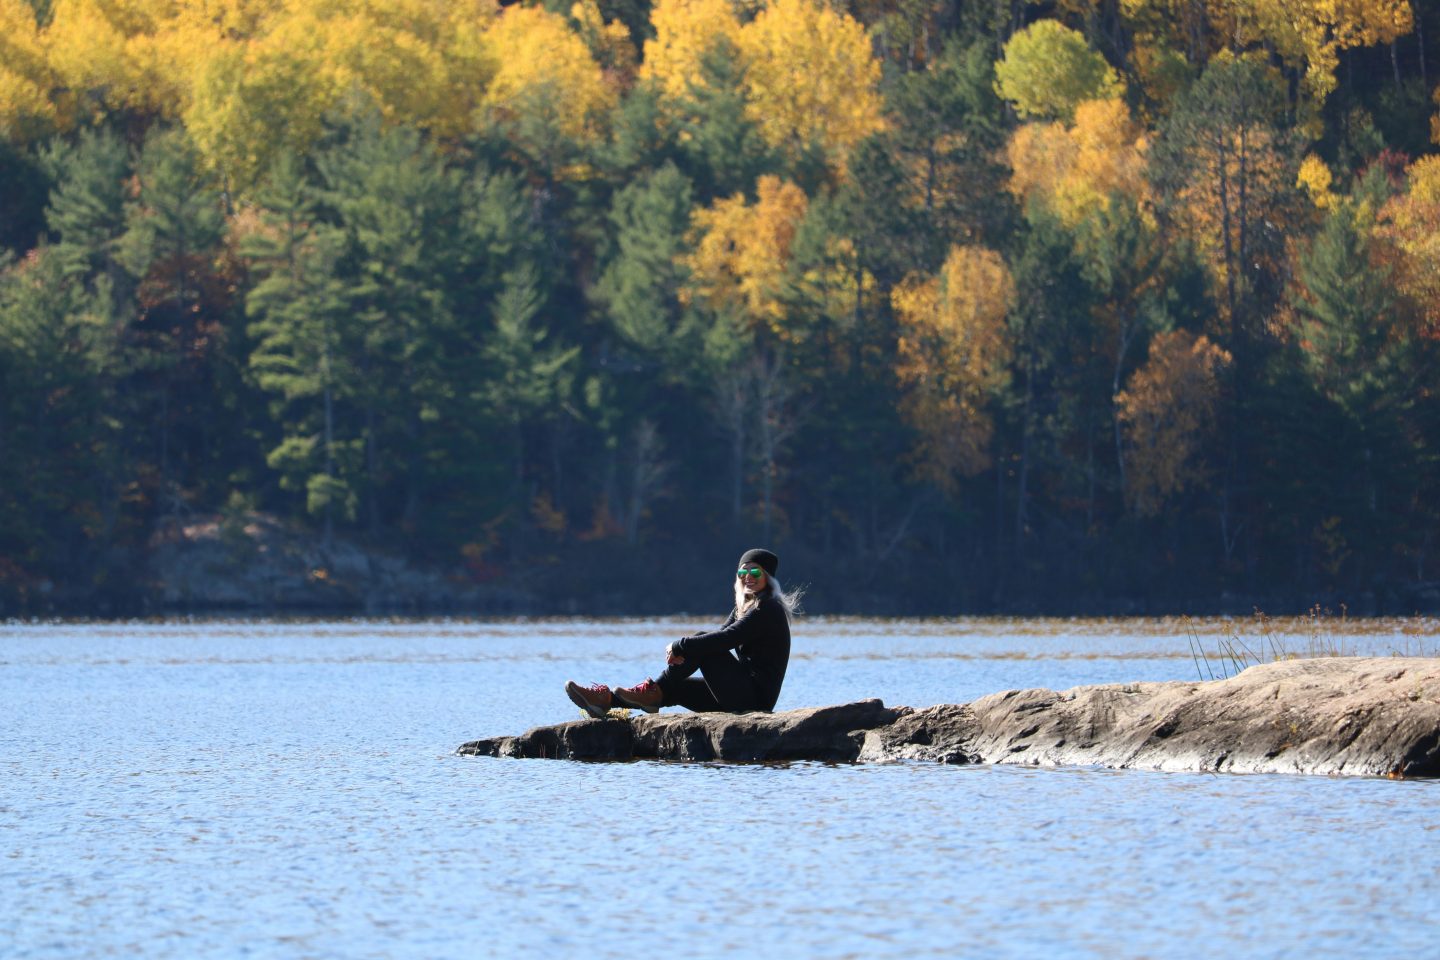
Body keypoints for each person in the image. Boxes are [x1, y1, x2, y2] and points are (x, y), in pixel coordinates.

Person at [565, 548, 799, 717]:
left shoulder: (768, 608)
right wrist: (690, 647)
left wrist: (681, 645)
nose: (747, 577)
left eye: (755, 572)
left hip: (755, 700)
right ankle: (607, 701)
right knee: (676, 686)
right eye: (742, 572)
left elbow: (726, 640)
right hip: (739, 693)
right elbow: (719, 637)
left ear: (768, 578)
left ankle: (652, 691)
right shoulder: (744, 608)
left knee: (701, 641)